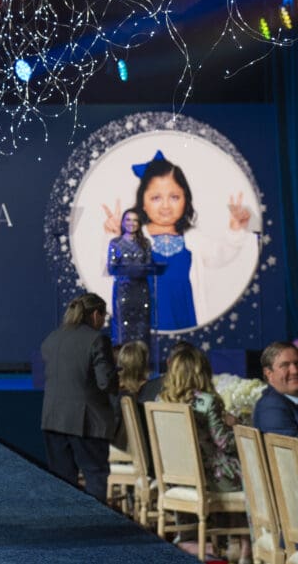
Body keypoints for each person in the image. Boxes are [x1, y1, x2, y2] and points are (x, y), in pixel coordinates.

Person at [103, 151, 253, 331]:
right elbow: (112, 268)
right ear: (143, 202)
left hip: (185, 316)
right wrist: (113, 236)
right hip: (146, 320)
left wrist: (235, 230)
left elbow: (220, 254)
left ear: (185, 199)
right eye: (156, 198)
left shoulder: (193, 238)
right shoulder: (134, 238)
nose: (166, 205)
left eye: (174, 197)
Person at [160, 346, 250, 561]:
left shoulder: (162, 400)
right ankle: (244, 545)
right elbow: (224, 443)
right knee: (252, 479)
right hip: (211, 477)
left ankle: (229, 543)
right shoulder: (208, 401)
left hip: (178, 476)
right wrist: (239, 427)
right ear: (202, 371)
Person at [40, 293, 118, 502]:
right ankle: (96, 526)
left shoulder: (52, 338)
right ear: (95, 314)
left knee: (62, 482)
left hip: (53, 420)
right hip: (86, 423)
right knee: (95, 477)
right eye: (104, 316)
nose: (104, 322)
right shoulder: (97, 340)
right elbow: (106, 383)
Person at [106, 208, 152, 345]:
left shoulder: (146, 243)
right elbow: (111, 268)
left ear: (139, 223)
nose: (131, 223)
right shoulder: (115, 243)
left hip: (141, 291)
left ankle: (142, 362)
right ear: (122, 222)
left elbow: (149, 265)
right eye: (128, 220)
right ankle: (123, 363)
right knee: (123, 328)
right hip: (123, 290)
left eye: (135, 220)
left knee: (142, 328)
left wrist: (142, 269)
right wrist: (129, 269)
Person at [252, 341, 298, 437]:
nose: (295, 371)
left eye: (297, 363)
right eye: (285, 365)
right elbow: (289, 448)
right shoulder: (271, 407)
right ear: (269, 374)